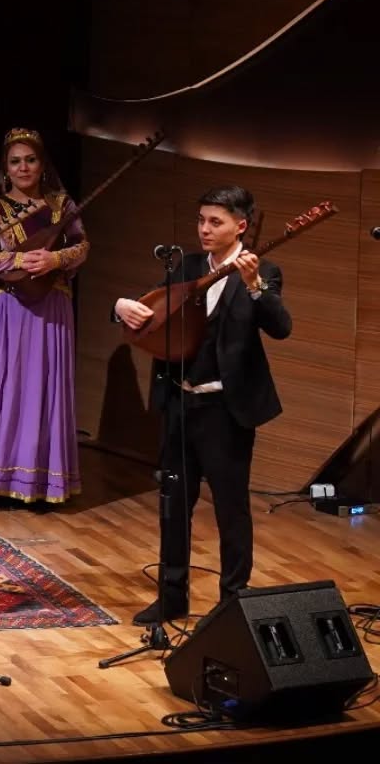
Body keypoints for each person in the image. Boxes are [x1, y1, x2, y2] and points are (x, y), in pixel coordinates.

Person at [113, 185, 291, 623]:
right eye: (201, 220)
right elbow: (149, 309)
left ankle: (232, 602)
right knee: (174, 502)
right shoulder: (187, 267)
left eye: (216, 222)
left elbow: (281, 326)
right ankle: (172, 597)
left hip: (225, 412)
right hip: (179, 403)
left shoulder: (263, 270)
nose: (205, 229)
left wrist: (253, 287)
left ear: (240, 226)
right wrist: (121, 307)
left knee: (231, 509)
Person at [0, 128, 87, 504]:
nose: (23, 167)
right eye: (15, 161)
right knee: (5, 386)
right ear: (6, 167)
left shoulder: (62, 206)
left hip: (50, 306)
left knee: (44, 386)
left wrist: (55, 258)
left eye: (30, 160)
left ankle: (41, 482)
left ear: (42, 164)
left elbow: (83, 246)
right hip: (7, 308)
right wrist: (18, 259)